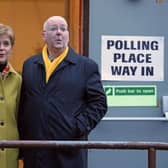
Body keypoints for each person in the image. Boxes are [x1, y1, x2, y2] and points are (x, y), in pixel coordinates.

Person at [18, 16, 107, 168]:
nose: (59, 33)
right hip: (35, 150)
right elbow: (23, 104)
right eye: (53, 29)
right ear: (44, 35)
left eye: (63, 29)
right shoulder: (30, 65)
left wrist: (77, 127)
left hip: (68, 152)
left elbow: (99, 103)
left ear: (68, 35)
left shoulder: (85, 66)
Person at [0, 23, 22, 168]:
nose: (1, 48)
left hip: (10, 153)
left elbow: (21, 116)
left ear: (11, 48)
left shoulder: (18, 80)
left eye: (6, 43)